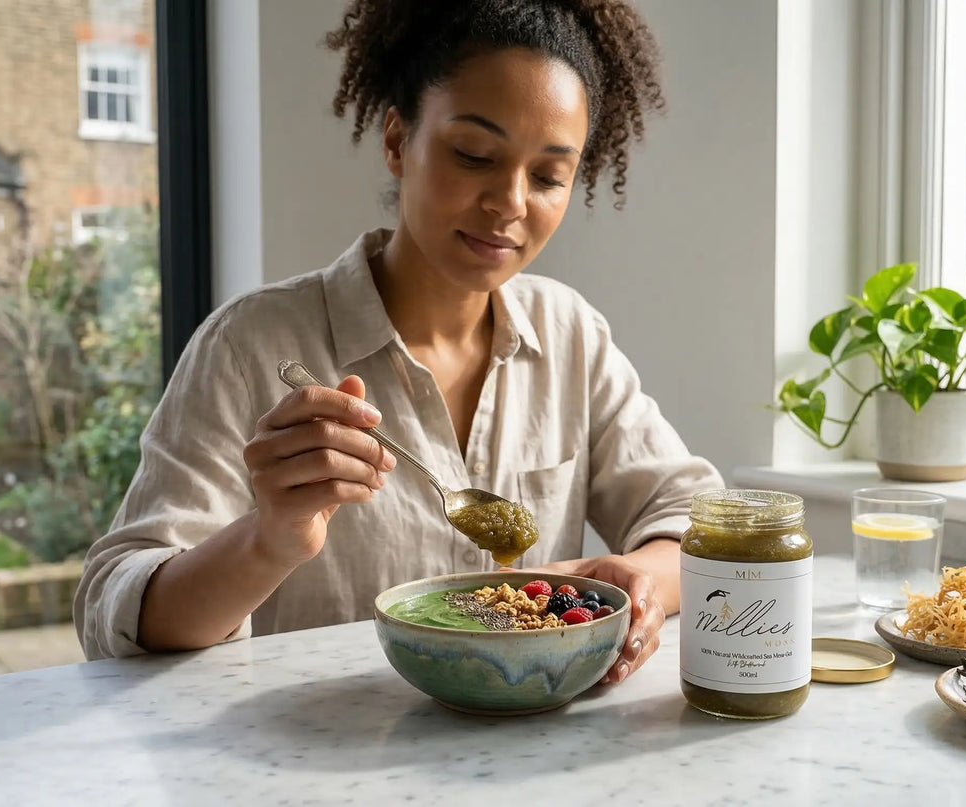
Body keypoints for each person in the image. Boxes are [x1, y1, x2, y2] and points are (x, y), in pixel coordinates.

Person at [75, 0, 725, 685]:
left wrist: (640, 576)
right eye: (474, 155)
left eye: (547, 177)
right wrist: (270, 538)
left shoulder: (569, 334)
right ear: (395, 140)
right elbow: (116, 615)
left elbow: (697, 519)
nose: (509, 202)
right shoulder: (250, 344)